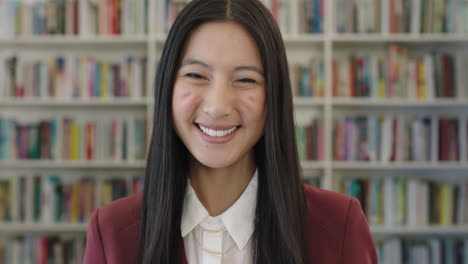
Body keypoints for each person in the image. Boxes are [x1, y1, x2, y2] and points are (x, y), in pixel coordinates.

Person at [83, 0, 378, 263]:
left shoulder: (339, 225)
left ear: (273, 96)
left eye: (245, 79)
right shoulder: (111, 230)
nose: (217, 106)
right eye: (196, 75)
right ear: (167, 88)